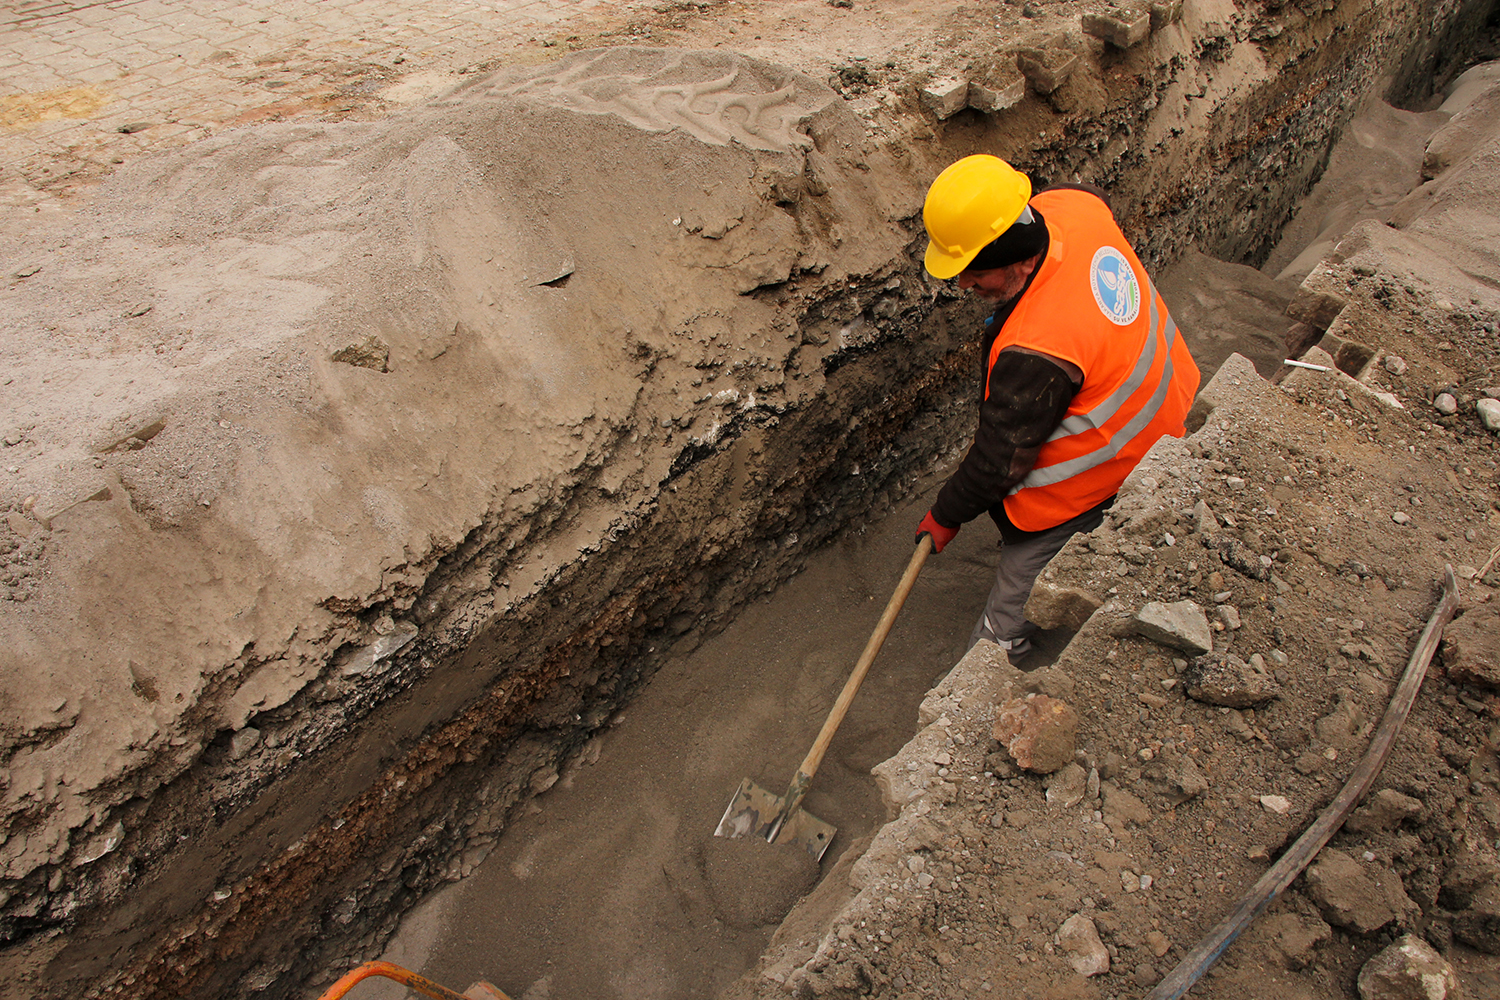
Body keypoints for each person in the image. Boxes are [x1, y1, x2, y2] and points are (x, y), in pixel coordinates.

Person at [914, 154, 1200, 663]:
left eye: (973, 272)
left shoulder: (1037, 348)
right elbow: (1091, 197)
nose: (964, 285)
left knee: (1001, 634)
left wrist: (945, 514)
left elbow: (998, 461)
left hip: (1103, 471)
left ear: (1012, 256)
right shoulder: (1073, 208)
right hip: (1167, 400)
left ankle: (1005, 668)